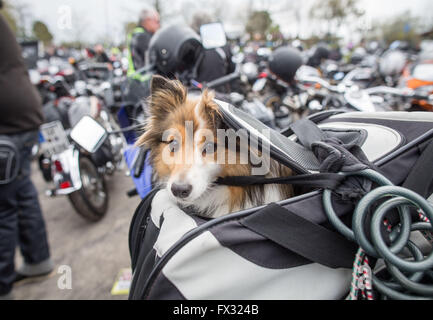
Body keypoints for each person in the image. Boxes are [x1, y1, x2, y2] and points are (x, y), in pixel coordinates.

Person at [0, 3, 54, 300]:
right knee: (20, 191)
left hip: (7, 123)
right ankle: (38, 260)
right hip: (23, 116)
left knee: (2, 207)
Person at [190, 12, 235, 92]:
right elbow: (232, 70)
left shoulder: (191, 48)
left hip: (198, 95)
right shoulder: (222, 46)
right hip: (220, 94)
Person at [127, 8, 160, 79]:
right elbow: (154, 59)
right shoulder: (142, 36)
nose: (159, 25)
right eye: (157, 21)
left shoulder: (136, 33)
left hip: (135, 79)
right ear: (148, 20)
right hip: (142, 81)